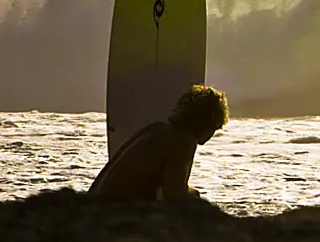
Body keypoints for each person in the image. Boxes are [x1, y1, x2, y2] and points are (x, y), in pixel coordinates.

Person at [88, 84, 229, 201]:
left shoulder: (157, 129)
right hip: (112, 209)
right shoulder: (183, 140)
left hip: (94, 203)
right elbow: (175, 194)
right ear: (206, 122)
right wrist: (197, 196)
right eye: (214, 128)